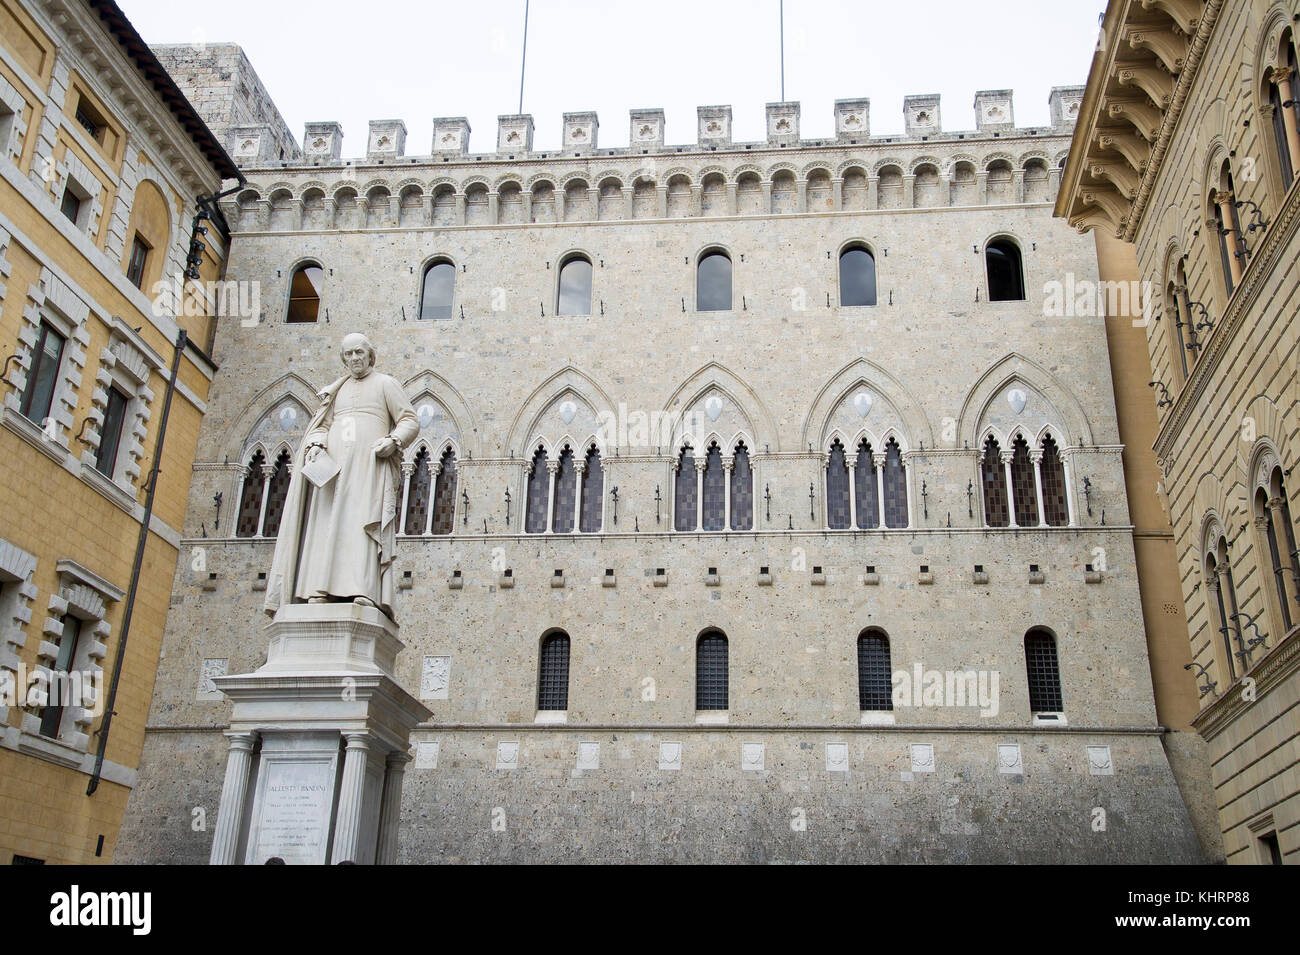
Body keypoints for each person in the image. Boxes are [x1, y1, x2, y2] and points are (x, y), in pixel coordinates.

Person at [263, 333, 418, 621]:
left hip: (367, 469)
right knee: (325, 526)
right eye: (348, 354)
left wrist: (394, 440)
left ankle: (363, 588)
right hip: (332, 473)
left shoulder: (386, 384)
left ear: (371, 355)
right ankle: (317, 588)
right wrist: (317, 443)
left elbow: (410, 420)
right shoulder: (336, 391)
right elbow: (321, 425)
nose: (355, 359)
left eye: (360, 352)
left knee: (361, 525)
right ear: (343, 358)